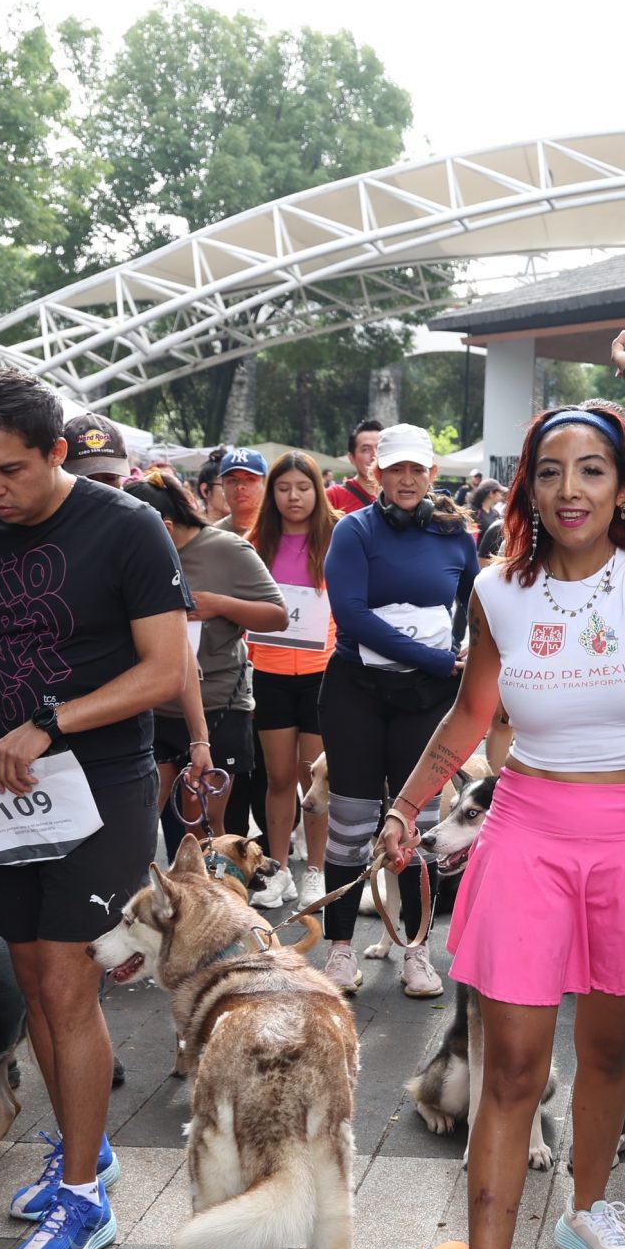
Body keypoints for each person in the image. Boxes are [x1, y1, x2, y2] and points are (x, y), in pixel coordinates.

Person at [375, 313, 625, 1249]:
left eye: (593, 471)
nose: (570, 489)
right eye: (551, 472)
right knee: (515, 1068)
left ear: (623, 488)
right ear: (526, 489)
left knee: (609, 1054)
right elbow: (470, 715)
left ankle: (585, 1208)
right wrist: (406, 805)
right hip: (528, 833)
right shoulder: (497, 590)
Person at [0, 371, 193, 1249]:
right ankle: (84, 1145)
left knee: (69, 985)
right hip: (10, 783)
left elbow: (166, 669)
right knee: (29, 977)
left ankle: (83, 1195)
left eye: (13, 470)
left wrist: (51, 721)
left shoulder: (128, 526)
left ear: (58, 451)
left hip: (103, 782)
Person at [319, 423, 478, 995]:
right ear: (376, 473)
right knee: (351, 823)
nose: (406, 480)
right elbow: (352, 615)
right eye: (395, 470)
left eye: (417, 469)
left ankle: (417, 949)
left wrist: (471, 652)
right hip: (357, 693)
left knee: (419, 826)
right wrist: (437, 659)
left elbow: (478, 603)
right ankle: (339, 951)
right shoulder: (353, 530)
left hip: (424, 699)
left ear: (431, 474)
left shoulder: (456, 535)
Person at [127, 467, 285, 840]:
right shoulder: (136, 558)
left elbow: (277, 617)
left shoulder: (227, 549)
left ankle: (211, 879)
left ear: (165, 527)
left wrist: (220, 604)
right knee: (143, 818)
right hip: (155, 705)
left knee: (204, 821)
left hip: (219, 703)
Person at [248, 450, 337, 910]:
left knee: (314, 778)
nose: (293, 496)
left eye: (303, 488)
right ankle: (279, 869)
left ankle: (316, 869)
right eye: (283, 488)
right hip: (270, 674)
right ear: (272, 493)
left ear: (317, 491)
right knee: (279, 777)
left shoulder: (336, 537)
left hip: (322, 675)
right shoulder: (255, 541)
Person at [326, 419, 386, 514]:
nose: (375, 455)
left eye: (379, 448)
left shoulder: (399, 494)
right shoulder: (333, 496)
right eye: (366, 450)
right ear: (351, 458)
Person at [212, 447, 266, 534]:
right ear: (223, 487)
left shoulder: (282, 529)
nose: (240, 486)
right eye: (232, 480)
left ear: (265, 484)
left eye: (250, 479)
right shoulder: (213, 535)